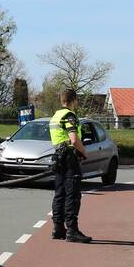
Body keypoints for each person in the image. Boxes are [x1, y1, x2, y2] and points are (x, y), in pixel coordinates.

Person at [49, 89, 91, 243]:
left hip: (58, 157)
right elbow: (73, 139)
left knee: (59, 193)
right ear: (74, 100)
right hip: (69, 157)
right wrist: (84, 152)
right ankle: (72, 230)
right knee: (72, 194)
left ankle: (58, 228)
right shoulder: (69, 116)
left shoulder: (55, 116)